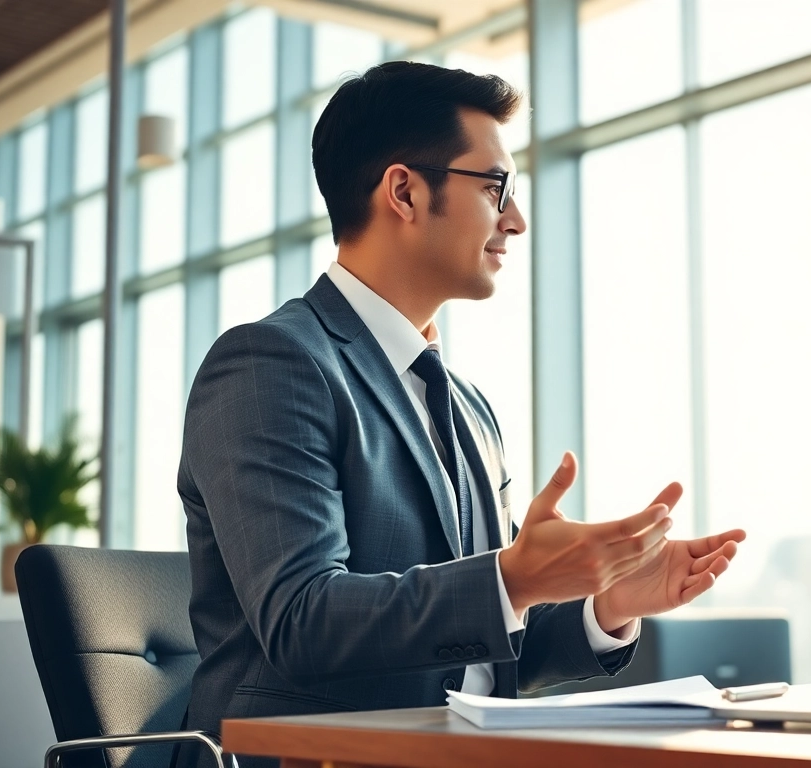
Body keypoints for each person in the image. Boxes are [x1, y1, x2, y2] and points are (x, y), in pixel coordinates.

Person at [175, 61, 746, 767]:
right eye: (496, 187)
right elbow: (303, 621)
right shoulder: (271, 365)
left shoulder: (467, 406)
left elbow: (483, 649)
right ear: (406, 191)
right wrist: (515, 578)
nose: (517, 219)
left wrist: (606, 605)